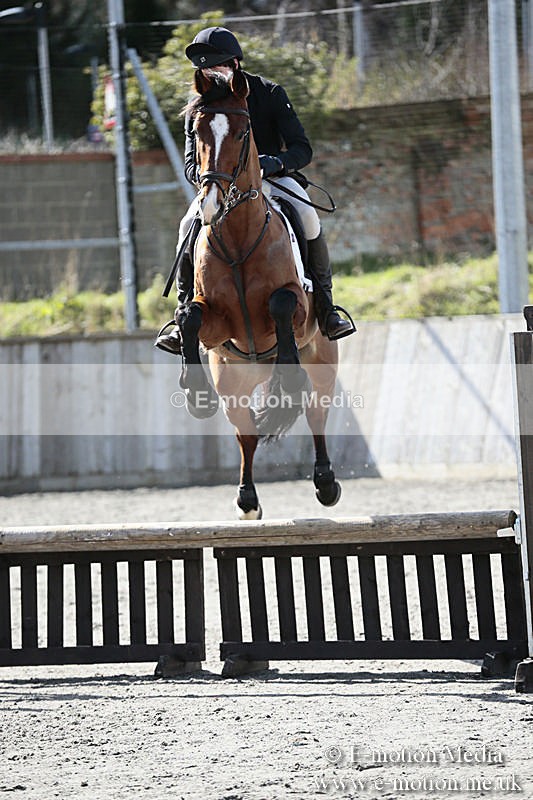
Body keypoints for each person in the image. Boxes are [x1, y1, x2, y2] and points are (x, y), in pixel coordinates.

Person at [155, 26, 355, 355]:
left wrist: (274, 163)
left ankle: (327, 308)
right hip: (220, 185)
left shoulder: (269, 93)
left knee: (307, 215)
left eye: (216, 66)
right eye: (205, 68)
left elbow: (302, 149)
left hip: (271, 179)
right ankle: (181, 316)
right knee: (186, 225)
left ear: (235, 63)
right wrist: (208, 179)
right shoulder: (197, 108)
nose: (210, 73)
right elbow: (191, 163)